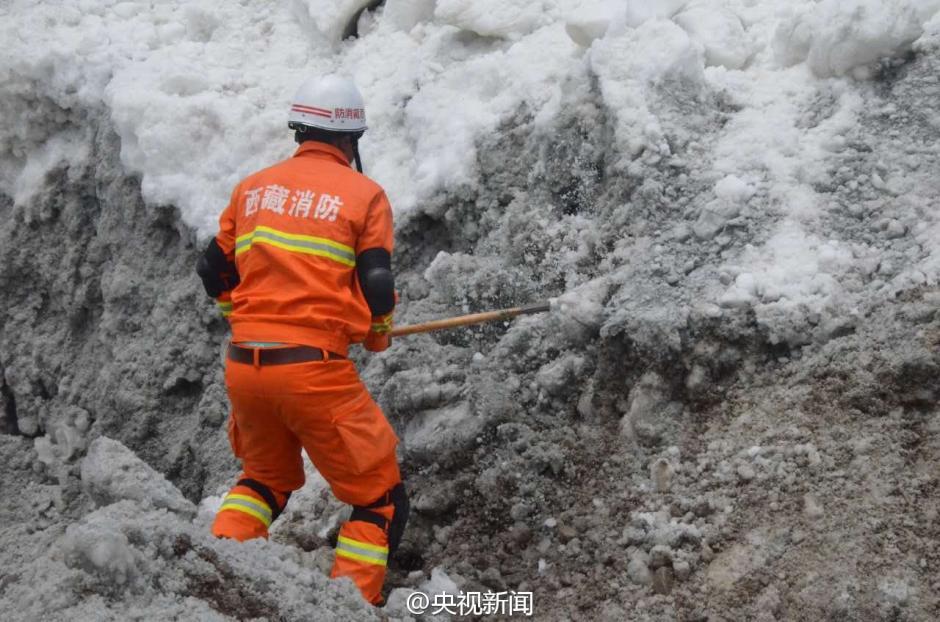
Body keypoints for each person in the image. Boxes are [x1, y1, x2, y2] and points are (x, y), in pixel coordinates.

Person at [195, 74, 409, 606]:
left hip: (246, 366)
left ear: (300, 130)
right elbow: (377, 283)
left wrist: (237, 316)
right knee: (379, 498)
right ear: (351, 139)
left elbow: (212, 266)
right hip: (312, 372)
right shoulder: (364, 195)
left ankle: (216, 578)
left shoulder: (254, 188)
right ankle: (348, 607)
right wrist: (377, 333)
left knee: (264, 482)